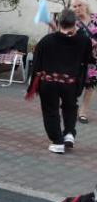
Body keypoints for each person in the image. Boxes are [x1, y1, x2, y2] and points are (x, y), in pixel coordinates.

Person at [26, 9, 94, 153]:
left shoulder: (47, 40)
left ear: (58, 22)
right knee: (70, 107)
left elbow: (37, 63)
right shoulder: (84, 40)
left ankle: (57, 142)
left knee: (51, 111)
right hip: (70, 83)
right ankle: (69, 133)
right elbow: (87, 60)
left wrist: (33, 85)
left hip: (49, 83)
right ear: (75, 23)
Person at [70, 0, 97, 124]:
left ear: (85, 5)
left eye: (79, 5)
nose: (77, 8)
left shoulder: (95, 18)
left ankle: (83, 112)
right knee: (74, 83)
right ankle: (71, 108)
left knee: (90, 86)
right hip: (78, 58)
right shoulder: (72, 22)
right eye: (74, 6)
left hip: (95, 58)